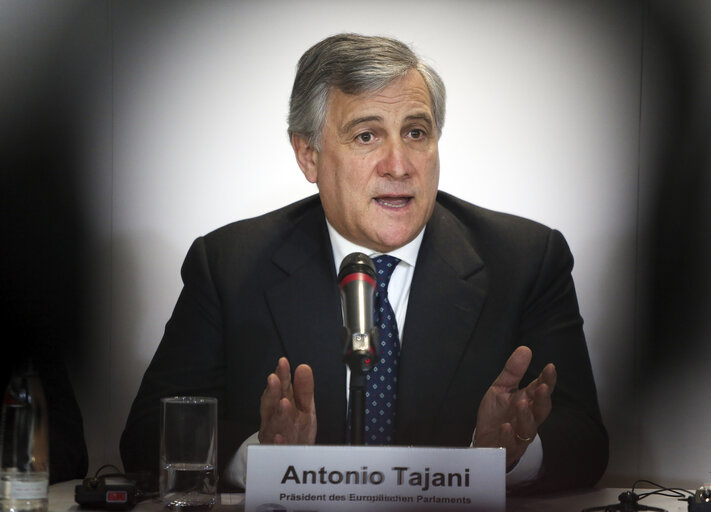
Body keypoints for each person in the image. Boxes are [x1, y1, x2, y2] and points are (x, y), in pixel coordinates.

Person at [120, 33, 608, 495]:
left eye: (416, 132)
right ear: (308, 155)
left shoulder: (524, 260)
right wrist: (264, 458)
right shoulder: (229, 264)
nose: (399, 164)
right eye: (366, 136)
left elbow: (585, 442)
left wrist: (505, 455)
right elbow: (147, 438)